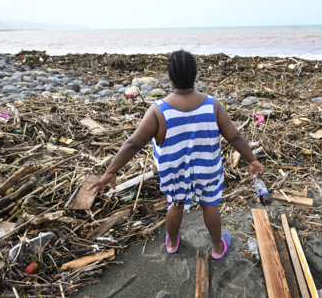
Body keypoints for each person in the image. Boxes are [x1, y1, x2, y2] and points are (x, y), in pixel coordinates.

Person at [88, 50, 263, 259]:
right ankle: (217, 247)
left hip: (175, 171)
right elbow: (234, 137)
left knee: (176, 204)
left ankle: (172, 242)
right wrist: (251, 160)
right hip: (207, 168)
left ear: (169, 77)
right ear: (195, 75)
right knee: (210, 205)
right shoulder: (212, 105)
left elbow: (134, 143)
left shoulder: (158, 110)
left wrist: (111, 171)